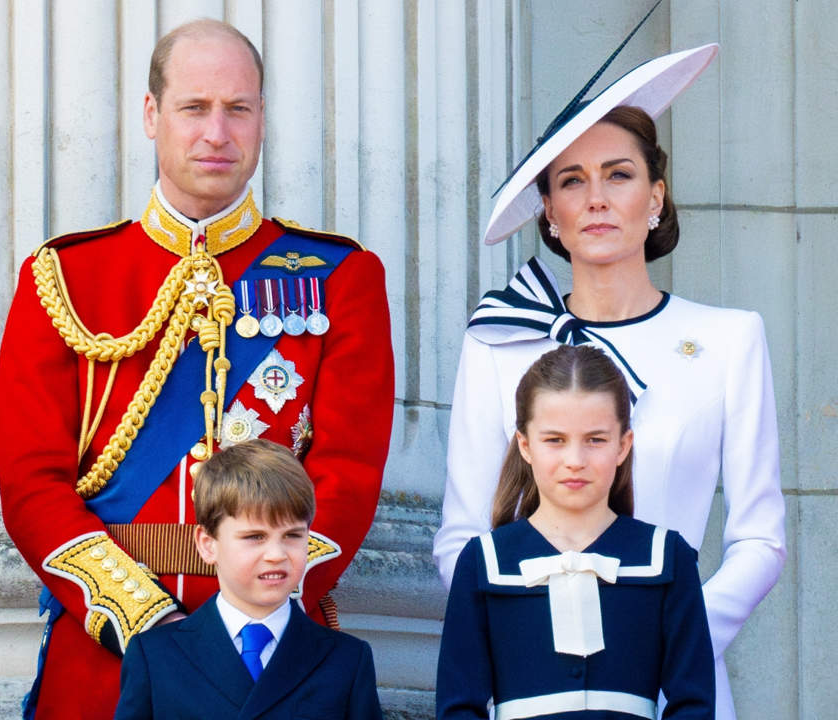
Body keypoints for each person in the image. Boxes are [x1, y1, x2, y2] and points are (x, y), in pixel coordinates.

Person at [0, 18, 394, 719]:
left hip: (274, 659)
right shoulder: (64, 278)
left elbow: (349, 477)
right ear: (152, 115)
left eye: (238, 108)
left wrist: (254, 611)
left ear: (262, 119)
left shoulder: (340, 279)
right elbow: (32, 485)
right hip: (105, 659)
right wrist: (147, 622)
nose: (217, 132)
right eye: (194, 108)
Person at [433, 42, 785, 719]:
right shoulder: (499, 345)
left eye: (618, 175)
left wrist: (669, 636)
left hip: (678, 686)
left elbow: (760, 538)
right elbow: (460, 539)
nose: (595, 198)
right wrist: (521, 635)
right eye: (571, 180)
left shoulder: (728, 340)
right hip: (530, 686)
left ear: (655, 197)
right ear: (549, 213)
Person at [436, 345, 714, 719]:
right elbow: (458, 708)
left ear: (623, 445)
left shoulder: (668, 557)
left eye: (595, 440)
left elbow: (693, 705)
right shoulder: (483, 562)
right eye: (555, 440)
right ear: (525, 445)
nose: (575, 461)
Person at [116, 439, 381, 719]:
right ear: (208, 544)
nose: (276, 554)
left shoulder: (346, 660)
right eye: (255, 537)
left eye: (292, 536)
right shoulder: (155, 655)